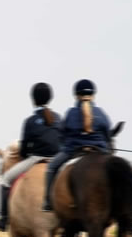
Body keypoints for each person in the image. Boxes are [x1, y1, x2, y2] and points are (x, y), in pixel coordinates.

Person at [0, 82, 62, 231]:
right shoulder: (58, 118)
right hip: (57, 160)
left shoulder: (30, 121)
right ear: (50, 98)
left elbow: (24, 150)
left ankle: (3, 220)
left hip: (36, 159)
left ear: (33, 99)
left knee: (5, 180)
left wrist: (25, 155)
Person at [42, 79, 112, 211]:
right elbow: (107, 135)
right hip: (99, 151)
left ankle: (48, 202)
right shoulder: (101, 113)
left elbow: (62, 135)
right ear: (93, 95)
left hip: (74, 151)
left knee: (51, 167)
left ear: (76, 95)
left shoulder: (71, 113)